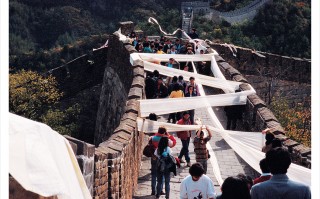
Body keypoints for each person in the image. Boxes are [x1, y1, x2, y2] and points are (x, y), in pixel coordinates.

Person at [150, 127, 176, 196]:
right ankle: (166, 195)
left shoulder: (153, 138)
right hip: (166, 165)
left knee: (155, 176)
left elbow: (155, 153)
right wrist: (169, 136)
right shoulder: (168, 146)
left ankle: (154, 191)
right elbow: (173, 143)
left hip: (157, 162)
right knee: (167, 181)